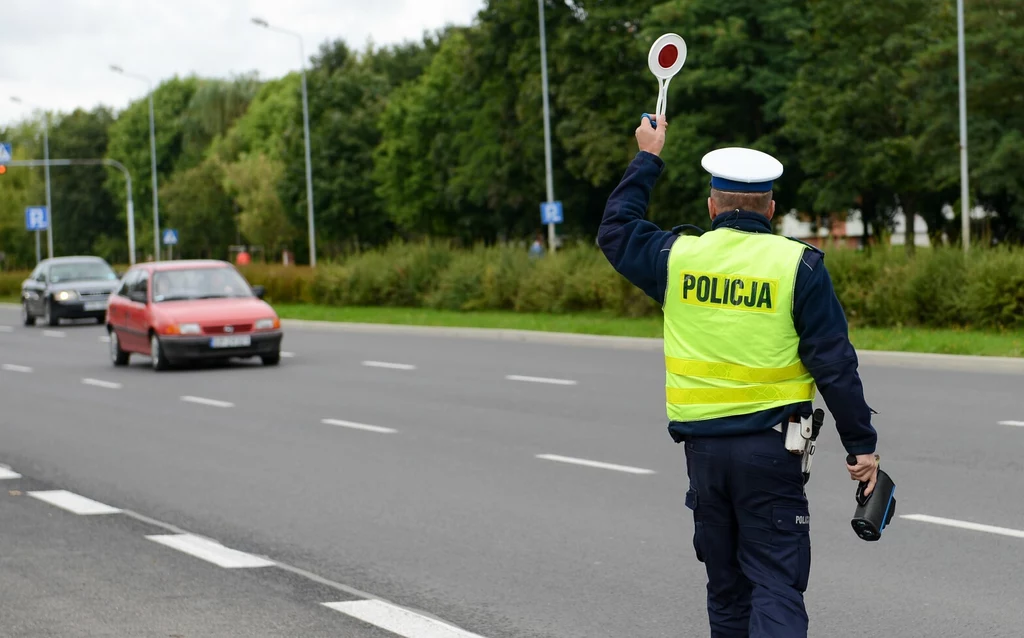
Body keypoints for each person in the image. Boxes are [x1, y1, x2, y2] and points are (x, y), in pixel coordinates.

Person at [597, 113, 880, 638]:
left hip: (703, 457)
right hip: (773, 453)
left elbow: (615, 230)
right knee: (775, 584)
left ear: (711, 206)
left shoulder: (674, 258)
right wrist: (861, 445)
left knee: (726, 590)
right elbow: (834, 364)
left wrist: (648, 157)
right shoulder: (799, 267)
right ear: (771, 209)